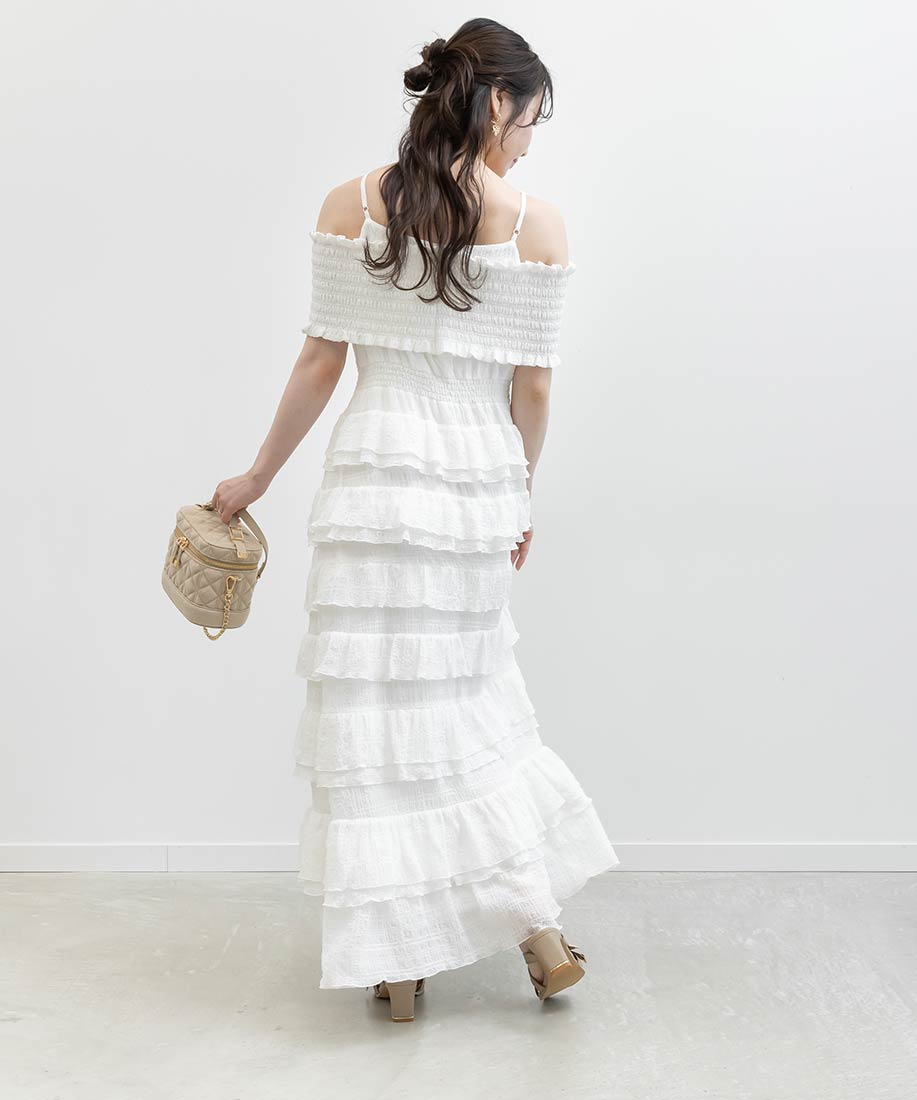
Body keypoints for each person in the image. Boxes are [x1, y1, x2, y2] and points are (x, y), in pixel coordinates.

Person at [209, 17, 619, 1022]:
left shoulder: (351, 205)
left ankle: (397, 966)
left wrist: (256, 476)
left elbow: (320, 361)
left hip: (372, 485)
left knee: (376, 721)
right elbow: (531, 391)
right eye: (531, 119)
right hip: (472, 484)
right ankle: (537, 930)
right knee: (468, 705)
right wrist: (519, 494)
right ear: (495, 101)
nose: (531, 142)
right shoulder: (536, 227)